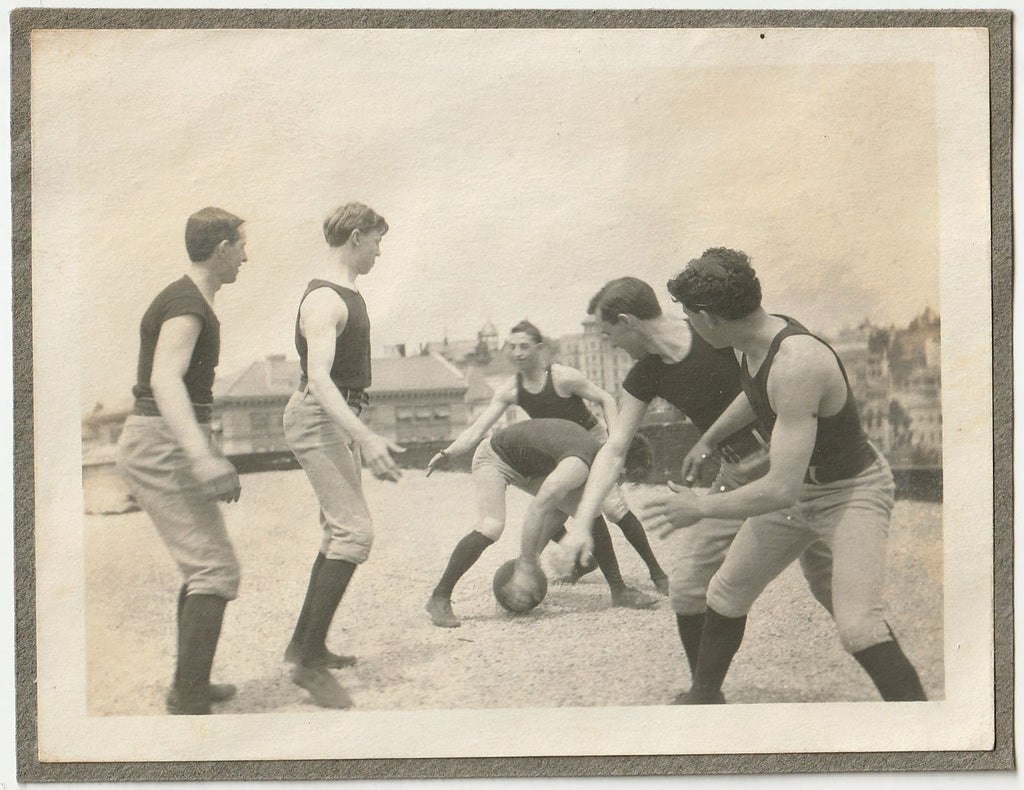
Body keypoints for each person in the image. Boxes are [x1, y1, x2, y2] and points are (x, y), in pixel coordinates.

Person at [644, 247, 925, 703]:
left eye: (689, 317)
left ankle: (925, 728)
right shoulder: (754, 338)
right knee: (725, 592)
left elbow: (779, 488)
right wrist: (710, 439)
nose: (688, 327)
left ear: (708, 317)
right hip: (802, 492)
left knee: (857, 626)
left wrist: (698, 506)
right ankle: (704, 697)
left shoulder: (797, 361)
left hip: (850, 491)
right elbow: (758, 394)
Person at [562, 276, 833, 699]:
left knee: (831, 587)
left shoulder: (715, 330)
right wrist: (580, 523)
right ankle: (705, 694)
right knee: (688, 588)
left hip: (799, 470)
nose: (609, 345)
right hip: (736, 475)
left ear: (627, 321)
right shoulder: (645, 374)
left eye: (609, 334)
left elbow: (790, 367)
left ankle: (906, 705)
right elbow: (614, 449)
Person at [426, 320, 669, 596]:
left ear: (539, 349)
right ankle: (584, 562)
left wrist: (616, 444)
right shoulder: (510, 389)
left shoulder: (562, 377)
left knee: (612, 506)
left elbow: (606, 399)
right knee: (556, 501)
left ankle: (657, 573)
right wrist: (449, 453)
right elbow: (477, 430)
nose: (517, 353)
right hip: (552, 451)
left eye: (524, 347)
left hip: (590, 441)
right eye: (512, 347)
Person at [116, 207, 247, 715]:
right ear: (220, 249)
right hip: (159, 441)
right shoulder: (187, 303)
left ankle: (189, 682)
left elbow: (184, 396)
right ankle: (188, 698)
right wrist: (203, 458)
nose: (245, 256)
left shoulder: (189, 299)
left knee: (205, 566)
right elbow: (164, 381)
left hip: (165, 437)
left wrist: (209, 451)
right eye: (240, 246)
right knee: (213, 568)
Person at [282, 202, 403, 709]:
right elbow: (318, 382)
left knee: (339, 531)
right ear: (356, 237)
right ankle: (307, 666)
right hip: (319, 416)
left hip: (336, 416)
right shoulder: (326, 301)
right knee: (356, 533)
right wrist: (369, 438)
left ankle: (305, 646)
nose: (379, 249)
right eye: (376, 240)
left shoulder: (349, 293)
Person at [425, 418, 657, 628]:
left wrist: (534, 555)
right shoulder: (577, 466)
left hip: (527, 465)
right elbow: (539, 508)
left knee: (590, 510)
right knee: (492, 526)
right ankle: (439, 596)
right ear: (617, 461)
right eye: (621, 476)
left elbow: (559, 511)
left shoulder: (591, 457)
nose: (616, 483)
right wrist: (527, 564)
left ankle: (619, 590)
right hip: (494, 457)